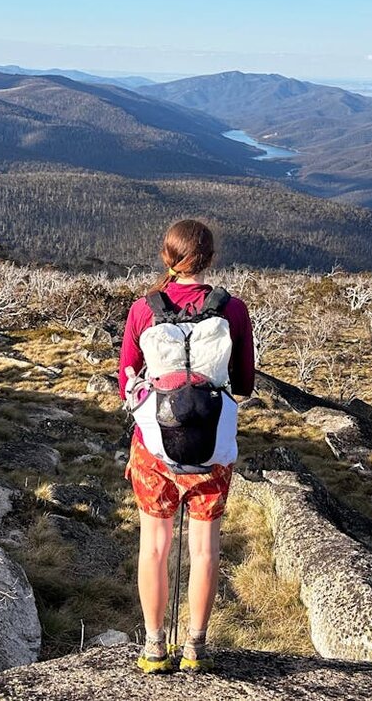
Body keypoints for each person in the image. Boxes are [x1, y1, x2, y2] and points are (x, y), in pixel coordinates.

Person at [118, 219, 255, 673]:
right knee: (205, 549)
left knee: (154, 548)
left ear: (167, 257)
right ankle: (196, 647)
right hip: (211, 447)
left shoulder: (144, 308)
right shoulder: (231, 309)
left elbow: (126, 377)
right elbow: (246, 383)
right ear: (210, 258)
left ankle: (155, 648)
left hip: (154, 447)